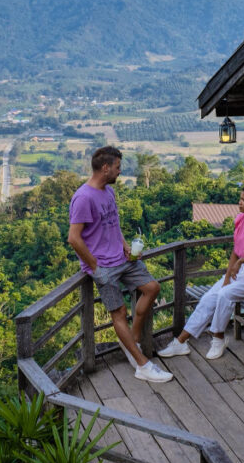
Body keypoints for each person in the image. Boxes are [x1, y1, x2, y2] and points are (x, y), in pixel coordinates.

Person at [68, 145, 173, 383]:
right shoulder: (83, 198)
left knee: (152, 288)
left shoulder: (108, 192)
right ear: (105, 168)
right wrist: (95, 267)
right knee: (119, 313)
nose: (120, 172)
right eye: (117, 167)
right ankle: (142, 365)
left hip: (122, 258)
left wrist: (125, 245)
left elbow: (112, 224)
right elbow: (74, 238)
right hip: (104, 268)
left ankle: (131, 339)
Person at [158, 184, 244, 360]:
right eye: (240, 199)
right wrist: (228, 275)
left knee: (224, 295)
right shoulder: (241, 219)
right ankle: (181, 342)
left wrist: (242, 262)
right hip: (238, 271)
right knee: (209, 298)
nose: (240, 203)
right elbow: (236, 251)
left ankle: (218, 338)